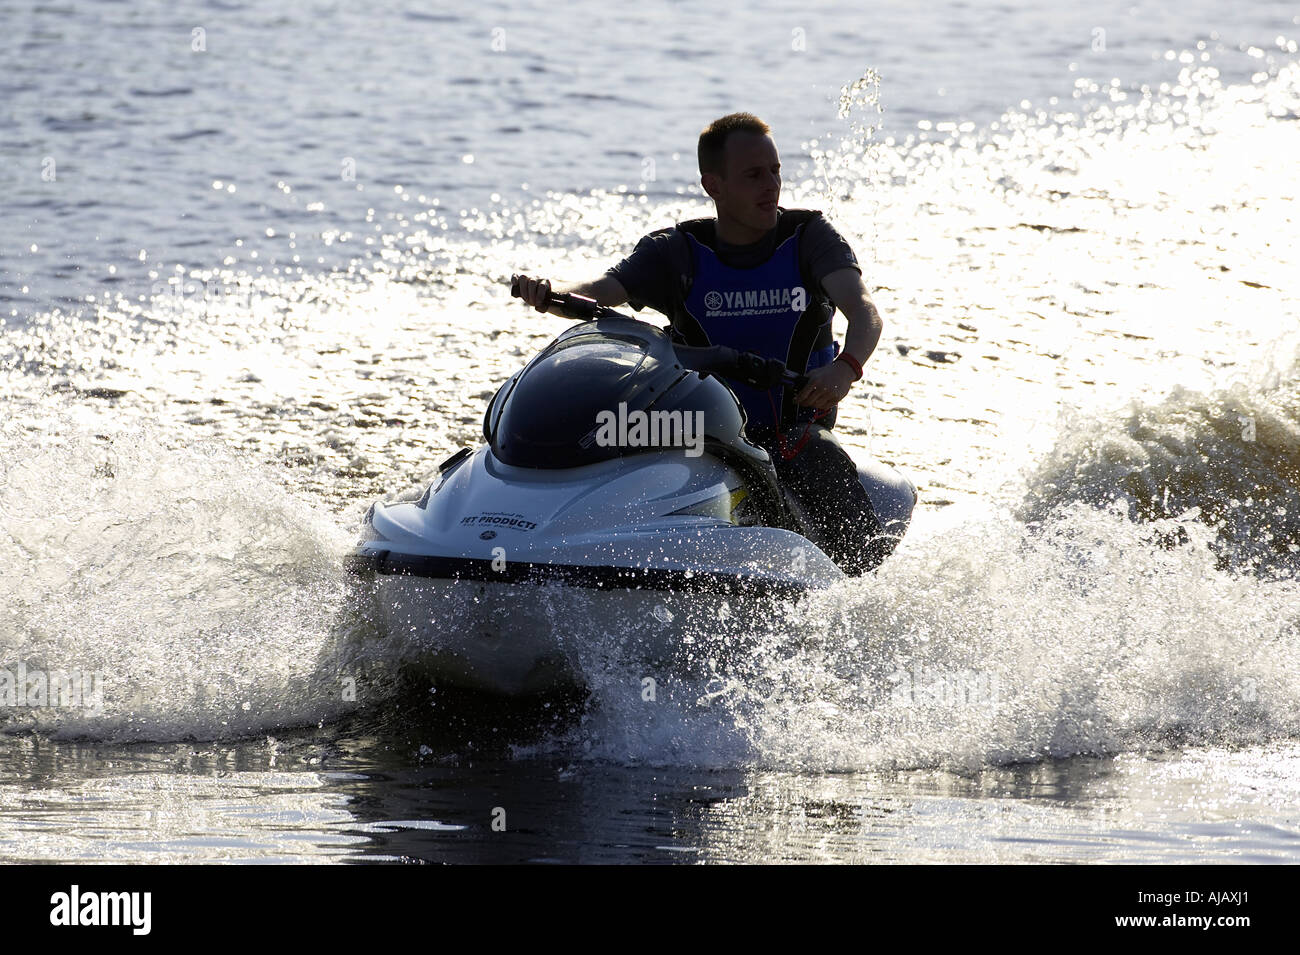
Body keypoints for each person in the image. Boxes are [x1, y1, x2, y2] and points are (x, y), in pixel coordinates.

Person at [513, 112, 896, 574]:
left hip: (786, 433)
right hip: (695, 432)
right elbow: (599, 291)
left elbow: (864, 311)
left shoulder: (810, 239)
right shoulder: (674, 252)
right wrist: (549, 291)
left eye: (775, 171)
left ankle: (861, 595)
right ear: (713, 185)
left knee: (823, 462)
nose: (771, 185)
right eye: (753, 175)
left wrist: (845, 368)